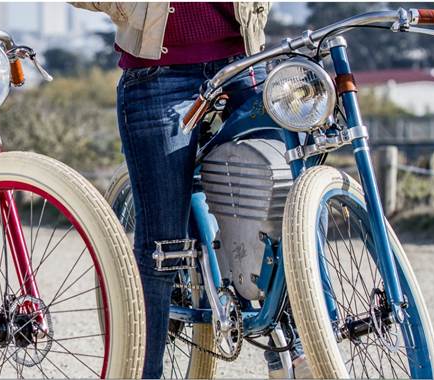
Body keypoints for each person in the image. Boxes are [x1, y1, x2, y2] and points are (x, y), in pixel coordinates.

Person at [72, 2, 311, 378]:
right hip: (157, 76)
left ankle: (292, 351)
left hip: (243, 62)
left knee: (282, 199)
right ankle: (144, 372)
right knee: (163, 246)